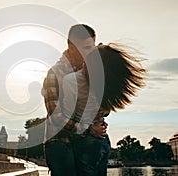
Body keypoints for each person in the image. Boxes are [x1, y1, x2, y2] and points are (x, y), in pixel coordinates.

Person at [51, 43, 147, 175]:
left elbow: (68, 116)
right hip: (102, 140)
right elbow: (104, 111)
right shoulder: (102, 85)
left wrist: (89, 128)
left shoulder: (71, 81)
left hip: (85, 142)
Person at [42, 24, 107, 176]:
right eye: (86, 48)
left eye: (93, 47)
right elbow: (56, 117)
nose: (91, 52)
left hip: (84, 141)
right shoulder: (55, 74)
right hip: (60, 142)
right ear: (71, 47)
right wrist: (90, 129)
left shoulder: (90, 71)